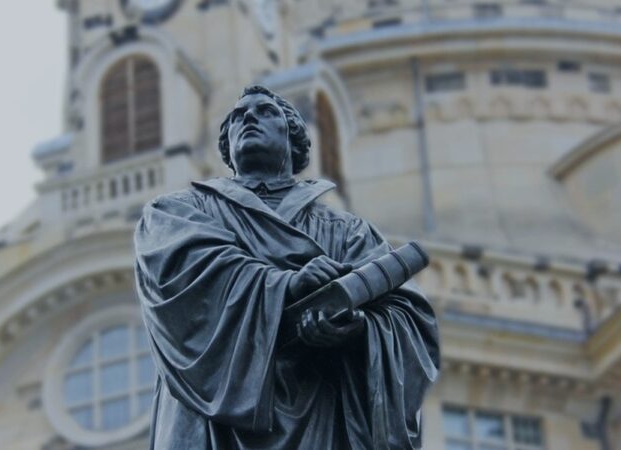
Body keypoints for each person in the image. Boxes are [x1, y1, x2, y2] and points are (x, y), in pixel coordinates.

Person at [134, 85, 440, 449]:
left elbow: (409, 318)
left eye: (265, 112)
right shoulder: (176, 212)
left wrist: (357, 329)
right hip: (211, 423)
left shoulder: (347, 231)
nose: (247, 117)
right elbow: (183, 272)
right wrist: (284, 285)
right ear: (228, 146)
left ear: (293, 139)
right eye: (237, 116)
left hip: (320, 413)